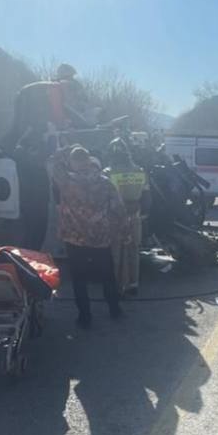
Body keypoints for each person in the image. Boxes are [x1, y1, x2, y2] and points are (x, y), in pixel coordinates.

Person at [1, 64, 92, 250]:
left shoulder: (39, 91)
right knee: (37, 216)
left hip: (22, 145)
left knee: (32, 213)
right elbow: (59, 117)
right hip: (30, 156)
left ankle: (30, 252)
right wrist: (70, 127)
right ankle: (31, 255)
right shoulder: (56, 89)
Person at [51, 144, 126, 328]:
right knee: (107, 276)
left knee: (79, 279)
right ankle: (115, 309)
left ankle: (85, 317)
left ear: (73, 163)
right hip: (101, 238)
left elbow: (53, 163)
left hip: (74, 239)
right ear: (89, 161)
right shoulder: (105, 182)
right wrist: (118, 231)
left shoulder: (66, 181)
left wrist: (66, 149)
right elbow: (119, 209)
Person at [104, 138, 148, 296]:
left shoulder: (108, 172)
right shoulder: (140, 171)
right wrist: (143, 214)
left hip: (116, 216)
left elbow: (103, 197)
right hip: (135, 213)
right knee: (133, 249)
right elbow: (147, 195)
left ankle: (116, 286)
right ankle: (133, 284)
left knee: (116, 250)